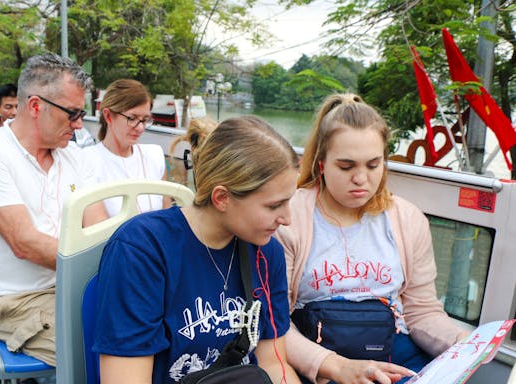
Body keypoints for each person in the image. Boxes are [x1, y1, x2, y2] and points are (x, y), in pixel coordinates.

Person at [275, 94, 469, 384]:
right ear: (322, 163)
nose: (361, 178)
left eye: (373, 165)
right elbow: (275, 322)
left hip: (392, 352)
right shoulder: (290, 217)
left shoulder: (406, 219)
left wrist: (463, 343)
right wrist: (336, 366)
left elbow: (421, 311)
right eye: (346, 166)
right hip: (318, 358)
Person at [94, 116, 302, 384]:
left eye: (289, 203)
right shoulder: (143, 249)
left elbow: (274, 363)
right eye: (274, 206)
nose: (287, 219)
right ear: (222, 198)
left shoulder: (265, 252)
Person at [0, 53, 108, 366]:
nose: (79, 125)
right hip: (14, 300)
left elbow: (100, 230)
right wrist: (117, 267)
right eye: (73, 114)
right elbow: (25, 244)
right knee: (111, 348)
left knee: (159, 328)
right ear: (36, 106)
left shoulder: (76, 156)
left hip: (71, 286)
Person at [84, 79, 169, 216]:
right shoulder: (88, 161)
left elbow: (166, 217)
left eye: (145, 120)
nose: (140, 127)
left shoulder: (154, 156)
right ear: (108, 116)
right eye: (132, 118)